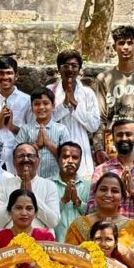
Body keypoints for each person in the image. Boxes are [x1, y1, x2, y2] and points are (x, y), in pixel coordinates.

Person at [93, 25, 134, 163]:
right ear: (114, 47)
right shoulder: (104, 79)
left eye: (130, 43)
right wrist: (98, 148)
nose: (126, 47)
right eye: (121, 43)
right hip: (112, 143)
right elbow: (99, 117)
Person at [48, 49, 99, 179]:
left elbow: (94, 125)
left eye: (74, 66)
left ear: (79, 69)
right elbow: (46, 120)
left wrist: (76, 106)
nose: (70, 69)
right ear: (59, 69)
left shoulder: (87, 93)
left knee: (81, 184)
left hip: (81, 147)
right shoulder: (50, 91)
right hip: (55, 147)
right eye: (65, 66)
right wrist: (65, 105)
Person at [0, 143, 61, 232]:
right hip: (10, 240)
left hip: (41, 240)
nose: (26, 159)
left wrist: (32, 196)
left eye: (30, 156)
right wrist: (16, 198)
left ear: (38, 161)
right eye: (20, 156)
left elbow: (53, 221)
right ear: (14, 162)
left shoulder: (49, 186)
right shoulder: (3, 185)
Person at [0, 54, 30, 168]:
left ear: (16, 75)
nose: (5, 77)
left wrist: (12, 127)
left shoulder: (27, 100)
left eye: (9, 73)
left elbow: (32, 133)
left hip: (18, 159)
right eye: (1, 73)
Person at [14, 87, 68, 180]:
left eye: (46, 103)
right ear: (31, 108)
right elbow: (16, 156)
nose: (41, 107)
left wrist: (49, 144)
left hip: (55, 180)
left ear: (53, 106)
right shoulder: (25, 129)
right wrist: (36, 146)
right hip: (30, 179)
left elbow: (66, 157)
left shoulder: (61, 129)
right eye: (37, 104)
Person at [53, 142, 90, 241]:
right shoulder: (48, 185)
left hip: (81, 245)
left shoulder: (88, 186)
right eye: (65, 157)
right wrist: (63, 200)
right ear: (58, 159)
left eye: (75, 157)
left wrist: (78, 202)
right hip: (55, 244)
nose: (70, 161)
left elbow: (93, 214)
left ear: (80, 161)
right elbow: (45, 215)